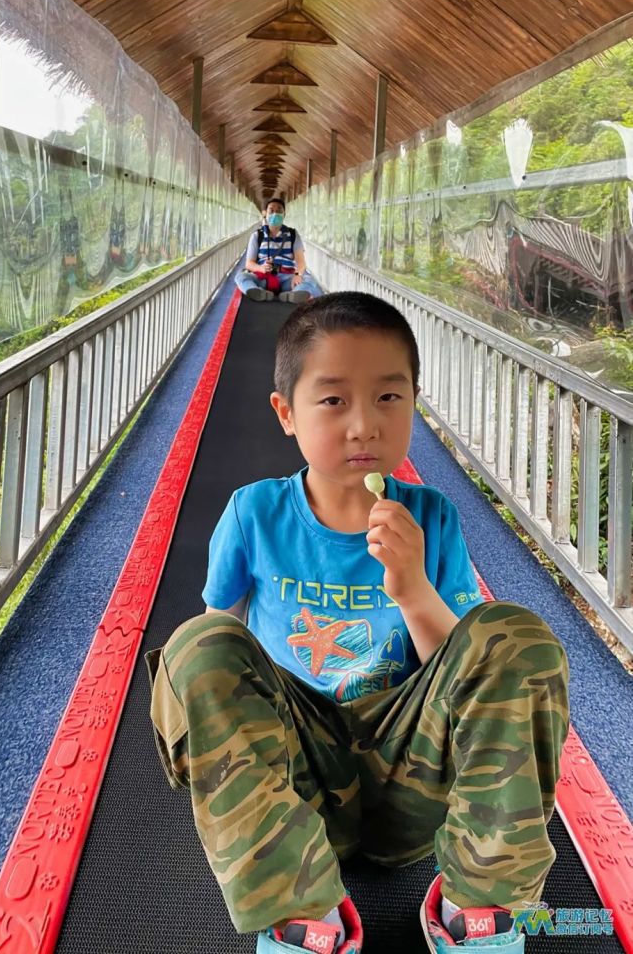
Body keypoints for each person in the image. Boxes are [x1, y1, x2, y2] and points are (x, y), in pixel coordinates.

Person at [147, 292, 569, 954]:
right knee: (194, 648)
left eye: (388, 398)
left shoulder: (431, 517)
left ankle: (477, 908)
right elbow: (218, 645)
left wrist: (413, 589)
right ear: (286, 413)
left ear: (414, 403)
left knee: (511, 635)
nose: (364, 426)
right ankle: (300, 914)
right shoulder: (253, 514)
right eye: (334, 400)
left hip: (414, 777)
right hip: (297, 784)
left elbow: (464, 672)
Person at [236, 198, 322, 304]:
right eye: (271, 210)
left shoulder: (293, 234)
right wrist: (260, 268)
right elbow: (249, 264)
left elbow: (301, 262)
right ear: (265, 214)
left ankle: (295, 294)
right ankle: (257, 292)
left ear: (284, 214)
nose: (275, 214)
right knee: (240, 276)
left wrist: (297, 274)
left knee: (309, 279)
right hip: (263, 277)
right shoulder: (257, 235)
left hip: (287, 278)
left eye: (279, 210)